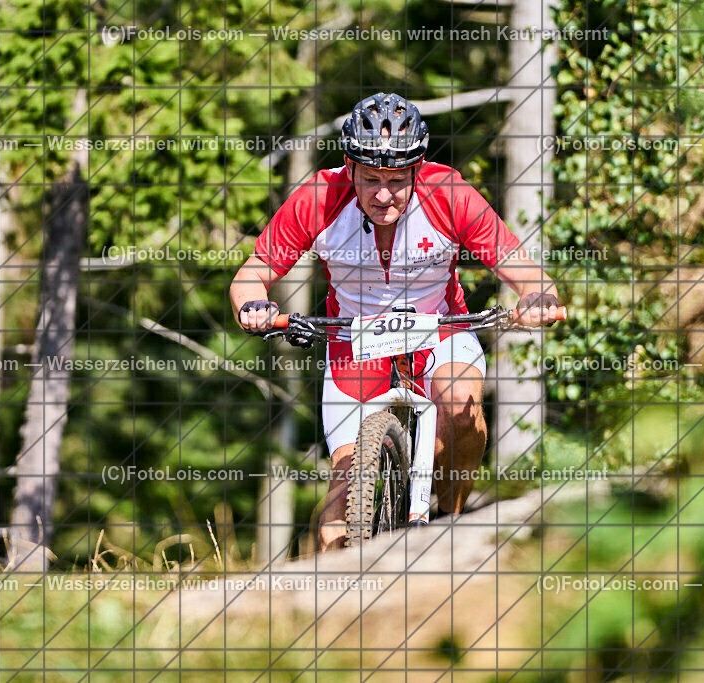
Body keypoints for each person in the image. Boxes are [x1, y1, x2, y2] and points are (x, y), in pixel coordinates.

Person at [230, 92, 562, 552]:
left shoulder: (448, 194)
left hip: (440, 330)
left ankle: (450, 520)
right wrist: (254, 306)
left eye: (397, 180)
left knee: (458, 401)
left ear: (417, 168)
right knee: (338, 509)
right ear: (349, 166)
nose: (384, 194)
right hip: (354, 343)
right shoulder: (319, 198)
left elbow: (524, 270)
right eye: (370, 179)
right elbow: (253, 274)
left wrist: (537, 299)